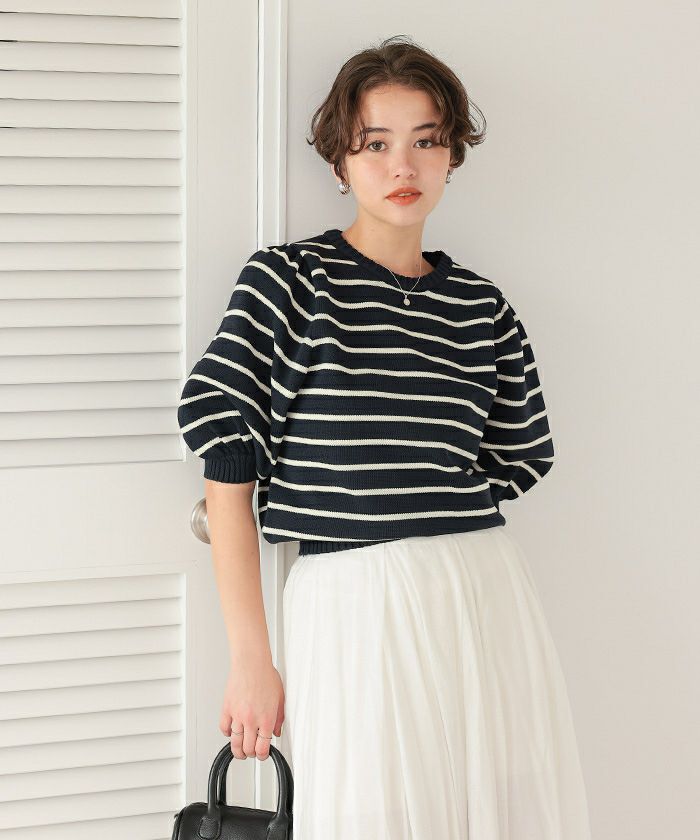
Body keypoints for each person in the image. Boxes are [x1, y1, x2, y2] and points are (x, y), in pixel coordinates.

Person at [177, 34, 591, 840]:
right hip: (351, 602)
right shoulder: (288, 282)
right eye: (375, 145)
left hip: (481, 593)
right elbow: (227, 469)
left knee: (490, 812)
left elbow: (514, 456)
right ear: (340, 161)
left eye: (426, 141)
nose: (403, 166)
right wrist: (251, 659)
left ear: (452, 155)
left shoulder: (481, 308)